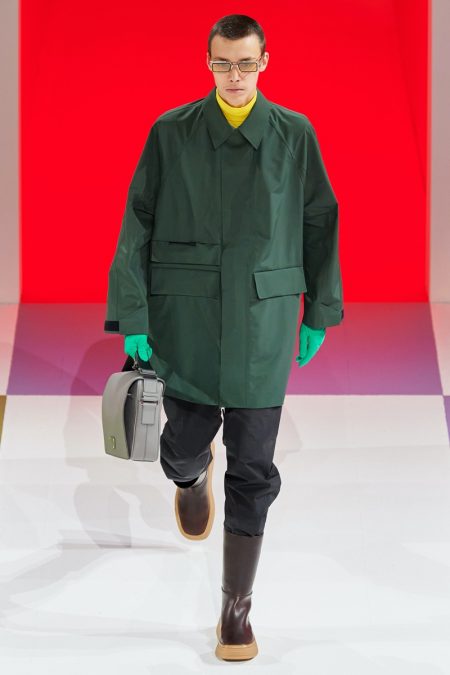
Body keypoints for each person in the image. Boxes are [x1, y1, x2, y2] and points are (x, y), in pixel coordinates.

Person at [104, 13, 344, 661]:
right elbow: (137, 221)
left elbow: (320, 218)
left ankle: (235, 609)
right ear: (207, 63)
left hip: (264, 322)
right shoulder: (171, 132)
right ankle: (190, 479)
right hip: (187, 319)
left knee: (254, 468)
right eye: (222, 63)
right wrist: (134, 315)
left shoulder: (294, 134)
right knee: (181, 448)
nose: (234, 75)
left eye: (245, 62)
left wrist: (319, 310)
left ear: (265, 62)